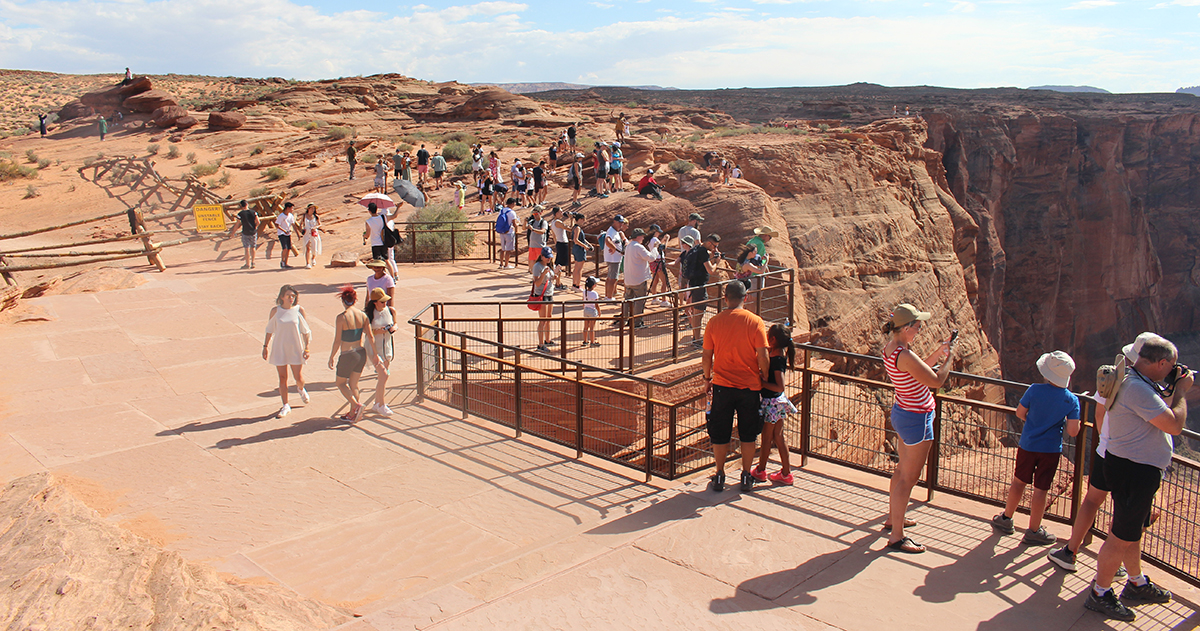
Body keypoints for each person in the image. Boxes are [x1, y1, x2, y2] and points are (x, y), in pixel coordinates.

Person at [1084, 334, 1192, 621]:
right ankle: (1100, 592)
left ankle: (1136, 582)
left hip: (1125, 465)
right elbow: (1174, 425)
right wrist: (1181, 391)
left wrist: (1171, 386)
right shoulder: (1137, 390)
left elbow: (1154, 402)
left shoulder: (1132, 379)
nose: (1172, 370)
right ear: (1162, 362)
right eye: (1171, 366)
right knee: (1120, 536)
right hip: (1135, 471)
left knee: (1130, 531)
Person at [1049, 333, 1158, 576]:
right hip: (1129, 459)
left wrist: (1106, 442)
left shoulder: (1113, 380)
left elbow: (1099, 417)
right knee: (1124, 512)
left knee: (1091, 501)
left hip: (1105, 451)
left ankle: (1069, 551)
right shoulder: (1146, 391)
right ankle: (1114, 563)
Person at [881, 304, 956, 554]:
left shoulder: (893, 349)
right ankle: (897, 537)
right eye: (917, 325)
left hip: (903, 412)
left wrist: (937, 352)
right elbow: (936, 380)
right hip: (917, 418)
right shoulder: (904, 354)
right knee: (909, 478)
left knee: (901, 470)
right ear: (905, 328)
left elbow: (917, 368)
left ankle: (894, 518)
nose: (920, 328)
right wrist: (949, 360)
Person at [991, 351, 1081, 546]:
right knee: (1041, 490)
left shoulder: (1034, 390)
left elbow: (1020, 412)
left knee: (1018, 482)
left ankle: (1006, 519)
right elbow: (1073, 432)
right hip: (1050, 450)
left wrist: (1032, 422)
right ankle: (1033, 531)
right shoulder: (1071, 400)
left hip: (1028, 444)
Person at [702, 281, 769, 493]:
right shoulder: (755, 322)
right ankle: (746, 475)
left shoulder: (714, 322)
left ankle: (720, 474)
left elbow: (706, 355)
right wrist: (764, 378)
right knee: (748, 435)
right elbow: (763, 355)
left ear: (725, 299)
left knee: (720, 434)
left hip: (722, 386)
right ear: (745, 297)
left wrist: (706, 378)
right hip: (750, 388)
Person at [328, 286, 381, 422]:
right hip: (360, 352)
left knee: (340, 383)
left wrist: (332, 356)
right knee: (354, 384)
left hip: (347, 353)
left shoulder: (341, 317)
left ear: (343, 301)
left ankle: (355, 405)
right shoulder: (362, 315)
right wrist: (375, 354)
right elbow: (371, 336)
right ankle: (354, 414)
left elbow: (337, 340)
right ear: (355, 300)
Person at [752, 323, 797, 485]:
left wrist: (762, 383)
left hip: (771, 402)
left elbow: (779, 385)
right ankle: (786, 473)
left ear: (772, 339)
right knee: (778, 436)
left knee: (766, 438)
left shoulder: (777, 360)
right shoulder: (779, 354)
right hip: (777, 402)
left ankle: (760, 470)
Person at [262, 285, 311, 418]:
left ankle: (300, 388)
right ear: (282, 297)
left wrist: (307, 348)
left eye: (293, 296)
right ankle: (285, 405)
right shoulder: (275, 311)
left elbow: (305, 331)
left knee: (298, 377)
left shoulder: (299, 310)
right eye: (288, 296)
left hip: (295, 348)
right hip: (280, 348)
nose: (291, 298)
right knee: (282, 378)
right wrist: (265, 346)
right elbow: (269, 329)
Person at [686, 234, 722, 347]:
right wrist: (716, 262)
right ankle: (696, 340)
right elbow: (710, 270)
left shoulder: (697, 247)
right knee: (698, 314)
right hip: (699, 286)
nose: (715, 249)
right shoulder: (703, 252)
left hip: (694, 284)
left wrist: (711, 256)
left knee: (697, 313)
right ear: (709, 243)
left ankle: (695, 337)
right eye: (715, 246)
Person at [365, 287, 396, 417]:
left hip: (387, 347)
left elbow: (395, 323)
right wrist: (378, 331)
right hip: (374, 349)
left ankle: (377, 403)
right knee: (384, 375)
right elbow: (368, 333)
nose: (385, 304)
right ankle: (382, 405)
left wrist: (392, 328)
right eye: (382, 302)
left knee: (382, 379)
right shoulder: (368, 316)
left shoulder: (390, 310)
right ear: (375, 302)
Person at [623, 228, 657, 329]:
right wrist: (655, 248)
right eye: (642, 236)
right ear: (638, 237)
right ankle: (637, 322)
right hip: (639, 279)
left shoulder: (629, 246)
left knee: (628, 299)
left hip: (629, 279)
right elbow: (651, 258)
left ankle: (626, 319)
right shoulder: (638, 247)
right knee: (639, 301)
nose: (643, 238)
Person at [531, 247, 557, 352]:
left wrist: (555, 275)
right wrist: (543, 274)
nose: (549, 259)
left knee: (548, 318)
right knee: (543, 320)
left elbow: (551, 278)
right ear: (542, 256)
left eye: (550, 257)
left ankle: (547, 340)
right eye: (546, 257)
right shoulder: (537, 266)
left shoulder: (549, 265)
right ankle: (540, 344)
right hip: (542, 294)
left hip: (549, 293)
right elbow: (537, 283)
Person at [603, 215, 628, 300]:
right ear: (614, 222)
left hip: (614, 258)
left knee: (610, 277)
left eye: (622, 222)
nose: (621, 224)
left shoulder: (615, 231)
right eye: (619, 222)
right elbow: (607, 240)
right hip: (613, 259)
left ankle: (607, 295)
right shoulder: (611, 231)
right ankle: (609, 297)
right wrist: (613, 248)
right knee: (613, 278)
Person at [230, 199, 259, 269]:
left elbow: (237, 224)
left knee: (246, 248)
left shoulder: (240, 214)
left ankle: (247, 264)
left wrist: (233, 232)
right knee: (253, 247)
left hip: (245, 232)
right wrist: (255, 227)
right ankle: (253, 262)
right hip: (253, 232)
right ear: (247, 204)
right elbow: (258, 222)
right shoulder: (253, 212)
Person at [570, 212, 592, 291]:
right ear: (579, 219)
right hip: (579, 249)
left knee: (576, 267)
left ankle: (574, 285)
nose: (583, 221)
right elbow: (576, 240)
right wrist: (585, 246)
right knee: (579, 268)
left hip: (576, 249)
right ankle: (577, 285)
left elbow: (581, 239)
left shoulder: (575, 227)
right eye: (583, 220)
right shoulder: (577, 228)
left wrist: (588, 244)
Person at [550, 207, 570, 288]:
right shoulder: (558, 222)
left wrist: (557, 243)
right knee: (559, 265)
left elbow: (554, 236)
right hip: (562, 243)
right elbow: (569, 228)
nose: (562, 213)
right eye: (560, 212)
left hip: (559, 243)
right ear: (556, 213)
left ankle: (558, 282)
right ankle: (555, 282)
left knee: (558, 264)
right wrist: (571, 219)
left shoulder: (553, 222)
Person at [496, 199, 518, 270]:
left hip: (502, 232)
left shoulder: (502, 210)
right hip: (509, 232)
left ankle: (501, 264)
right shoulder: (512, 212)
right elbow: (514, 223)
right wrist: (517, 225)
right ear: (512, 203)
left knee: (503, 249)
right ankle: (506, 265)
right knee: (508, 250)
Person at [526, 205, 548, 274]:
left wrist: (533, 229)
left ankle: (541, 275)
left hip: (540, 245)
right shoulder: (532, 221)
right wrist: (525, 221)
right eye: (533, 214)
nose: (535, 215)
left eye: (536, 214)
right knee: (531, 261)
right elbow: (524, 227)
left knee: (540, 261)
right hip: (532, 245)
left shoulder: (543, 222)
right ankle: (534, 275)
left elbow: (543, 231)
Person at [298, 204, 321, 269]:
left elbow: (319, 224)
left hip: (313, 232)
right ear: (308, 209)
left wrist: (315, 227)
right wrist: (302, 231)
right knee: (308, 247)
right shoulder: (304, 216)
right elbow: (301, 224)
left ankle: (313, 258)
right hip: (307, 232)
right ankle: (307, 263)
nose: (313, 210)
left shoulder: (316, 216)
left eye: (314, 209)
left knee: (314, 247)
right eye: (311, 208)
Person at [276, 202, 296, 269]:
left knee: (288, 248)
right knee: (285, 248)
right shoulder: (281, 216)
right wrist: (284, 230)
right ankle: (282, 261)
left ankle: (286, 262)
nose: (292, 209)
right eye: (291, 208)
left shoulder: (291, 216)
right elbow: (277, 225)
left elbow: (293, 224)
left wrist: (297, 233)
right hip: (282, 234)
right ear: (288, 208)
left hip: (288, 233)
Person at [582, 276, 600, 347]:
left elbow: (583, 301)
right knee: (592, 327)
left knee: (586, 326)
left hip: (586, 310)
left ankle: (585, 341)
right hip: (592, 311)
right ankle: (592, 342)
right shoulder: (594, 293)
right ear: (594, 285)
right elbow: (596, 304)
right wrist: (599, 311)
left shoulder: (584, 292)